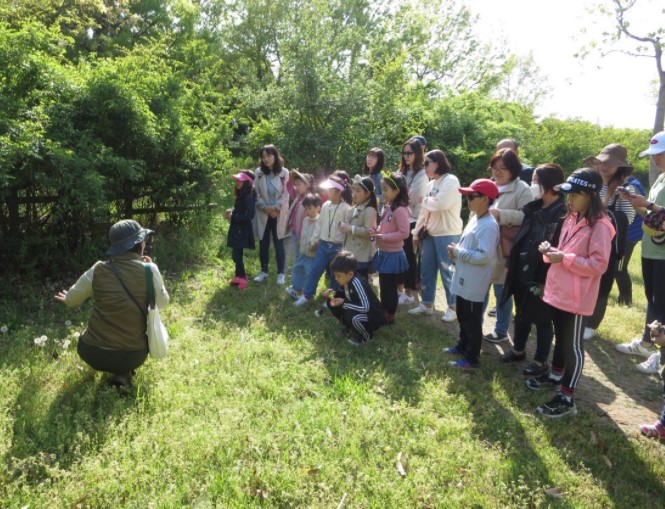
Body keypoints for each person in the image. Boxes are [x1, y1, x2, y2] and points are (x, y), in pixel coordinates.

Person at [530, 169, 614, 418]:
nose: (569, 200)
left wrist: (562, 257)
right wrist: (551, 250)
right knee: (561, 337)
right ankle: (555, 374)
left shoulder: (600, 225)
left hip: (578, 298)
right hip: (560, 291)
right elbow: (566, 253)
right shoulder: (572, 217)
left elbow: (599, 264)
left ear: (589, 195)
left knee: (573, 345)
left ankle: (567, 397)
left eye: (574, 195)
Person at [54, 220, 170, 387]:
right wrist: (151, 269)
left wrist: (68, 298)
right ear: (139, 245)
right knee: (130, 344)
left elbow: (71, 301)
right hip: (133, 355)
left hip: (92, 352)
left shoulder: (98, 269)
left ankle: (118, 370)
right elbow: (162, 303)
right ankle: (123, 373)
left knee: (88, 334)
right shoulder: (149, 270)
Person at [499, 164, 566, 376]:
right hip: (522, 266)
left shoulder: (562, 213)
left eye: (536, 181)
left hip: (543, 271)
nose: (532, 185)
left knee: (543, 319)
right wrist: (511, 264)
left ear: (550, 184)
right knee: (521, 312)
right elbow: (521, 238)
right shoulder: (533, 208)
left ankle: (540, 361)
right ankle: (518, 350)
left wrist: (547, 275)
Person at [617, 131, 665, 374]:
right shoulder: (659, 180)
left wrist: (647, 205)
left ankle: (660, 354)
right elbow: (656, 218)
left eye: (660, 154)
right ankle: (648, 343)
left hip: (663, 255)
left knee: (662, 304)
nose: (655, 159)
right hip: (651, 250)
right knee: (654, 301)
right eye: (653, 155)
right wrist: (639, 206)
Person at [443, 179, 500, 369]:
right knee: (463, 315)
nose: (468, 200)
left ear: (485, 199)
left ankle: (472, 357)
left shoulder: (489, 225)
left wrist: (458, 252)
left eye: (472, 196)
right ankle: (462, 346)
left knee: (472, 320)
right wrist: (456, 249)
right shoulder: (475, 218)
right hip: (464, 276)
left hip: (475, 281)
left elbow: (484, 256)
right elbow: (469, 246)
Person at [581, 144, 635, 340]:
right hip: (583, 240)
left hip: (607, 244)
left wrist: (598, 216)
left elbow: (627, 218)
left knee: (603, 283)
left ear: (620, 167)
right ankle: (581, 317)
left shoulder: (623, 189)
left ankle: (592, 323)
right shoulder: (591, 182)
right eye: (603, 162)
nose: (605, 167)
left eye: (611, 164)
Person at [483, 148, 532, 344]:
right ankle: (475, 324)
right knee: (481, 287)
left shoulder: (522, 189)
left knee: (502, 291)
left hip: (505, 248)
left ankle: (501, 330)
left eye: (503, 168)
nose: (498, 172)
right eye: (495, 167)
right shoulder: (489, 185)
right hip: (486, 245)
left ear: (514, 169)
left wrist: (501, 214)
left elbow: (528, 217)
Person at [410, 149, 463, 322]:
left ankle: (453, 307)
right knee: (426, 270)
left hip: (448, 234)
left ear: (438, 163)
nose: (424, 166)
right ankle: (427, 304)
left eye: (427, 163)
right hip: (430, 234)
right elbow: (425, 212)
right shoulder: (430, 184)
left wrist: (423, 200)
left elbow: (441, 204)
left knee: (448, 272)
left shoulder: (451, 180)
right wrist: (416, 233)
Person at [294, 173, 353, 306]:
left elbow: (347, 231)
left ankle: (331, 299)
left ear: (338, 192)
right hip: (323, 245)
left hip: (337, 247)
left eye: (330, 189)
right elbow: (319, 225)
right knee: (315, 270)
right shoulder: (325, 205)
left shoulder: (346, 209)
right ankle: (307, 295)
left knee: (334, 275)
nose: (327, 191)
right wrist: (314, 241)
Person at [368, 172, 410, 325]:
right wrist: (377, 231)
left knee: (389, 287)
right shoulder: (388, 207)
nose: (383, 193)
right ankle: (384, 310)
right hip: (384, 252)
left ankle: (389, 315)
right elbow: (384, 225)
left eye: (386, 190)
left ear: (397, 191)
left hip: (393, 255)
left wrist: (384, 237)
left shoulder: (400, 210)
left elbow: (404, 233)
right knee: (384, 285)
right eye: (382, 189)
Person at [324, 251, 385, 346]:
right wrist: (333, 293)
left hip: (373, 316)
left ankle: (367, 336)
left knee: (354, 317)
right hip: (360, 309)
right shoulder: (347, 280)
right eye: (335, 275)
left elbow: (366, 308)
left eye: (338, 276)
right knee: (331, 302)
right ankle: (351, 328)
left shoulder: (357, 283)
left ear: (350, 274)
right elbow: (345, 294)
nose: (336, 278)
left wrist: (344, 302)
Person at [397, 138, 429, 305]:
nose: (406, 156)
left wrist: (397, 196)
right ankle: (399, 289)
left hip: (413, 219)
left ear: (418, 154)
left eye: (410, 153)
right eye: (404, 153)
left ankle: (409, 293)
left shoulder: (422, 174)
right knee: (398, 254)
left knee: (409, 256)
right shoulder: (403, 171)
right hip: (399, 216)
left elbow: (413, 199)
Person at [253, 144, 290, 285]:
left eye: (269, 155)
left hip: (278, 213)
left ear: (275, 155)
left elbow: (286, 194)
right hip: (263, 212)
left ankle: (281, 273)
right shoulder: (258, 172)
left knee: (278, 242)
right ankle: (264, 271)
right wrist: (265, 208)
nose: (266, 159)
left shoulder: (284, 173)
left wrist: (275, 208)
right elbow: (255, 192)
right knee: (263, 242)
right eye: (263, 157)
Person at [339, 177, 378, 280]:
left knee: (359, 282)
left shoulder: (369, 210)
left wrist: (351, 228)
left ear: (367, 193)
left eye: (358, 191)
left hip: (360, 255)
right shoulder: (354, 207)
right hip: (350, 252)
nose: (354, 194)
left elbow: (369, 232)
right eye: (353, 190)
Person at [616, 173, 645, 306]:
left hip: (629, 235)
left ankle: (626, 299)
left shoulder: (631, 186)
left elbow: (632, 215)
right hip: (624, 234)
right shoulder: (626, 184)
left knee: (620, 268)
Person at [285, 193, 322, 299]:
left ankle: (307, 294)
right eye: (306, 208)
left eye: (310, 208)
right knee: (297, 269)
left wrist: (315, 245)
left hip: (312, 255)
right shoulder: (306, 219)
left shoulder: (320, 222)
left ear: (318, 208)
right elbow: (303, 232)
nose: (307, 211)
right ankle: (296, 289)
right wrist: (300, 241)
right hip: (302, 252)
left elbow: (319, 236)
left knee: (309, 273)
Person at [226, 171, 256, 290]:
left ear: (247, 182)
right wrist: (232, 211)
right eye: (237, 180)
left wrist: (233, 217)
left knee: (236, 255)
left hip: (241, 230)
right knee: (236, 254)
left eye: (240, 180)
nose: (237, 182)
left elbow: (249, 215)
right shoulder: (241, 195)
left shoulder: (248, 196)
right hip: (236, 228)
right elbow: (240, 210)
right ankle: (237, 276)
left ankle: (242, 277)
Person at [285, 169, 314, 266]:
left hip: (301, 234)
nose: (296, 187)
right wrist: (290, 178)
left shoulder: (309, 200)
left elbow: (306, 221)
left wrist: (300, 238)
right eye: (295, 185)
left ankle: (301, 275)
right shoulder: (298, 196)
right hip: (294, 230)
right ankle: (298, 273)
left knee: (301, 255)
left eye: (299, 185)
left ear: (307, 185)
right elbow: (289, 187)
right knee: (297, 255)